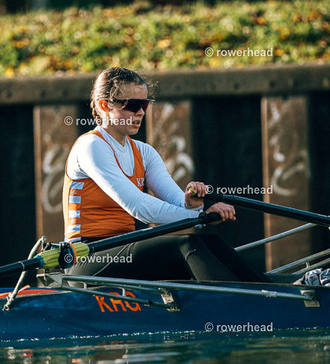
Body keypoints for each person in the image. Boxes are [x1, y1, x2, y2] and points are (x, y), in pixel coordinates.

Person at [63, 67, 266, 283]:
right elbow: (139, 206)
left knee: (210, 242)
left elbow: (176, 201)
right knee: (187, 244)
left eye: (144, 104)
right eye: (132, 105)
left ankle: (269, 291)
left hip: (124, 252)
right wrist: (201, 216)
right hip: (86, 258)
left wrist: (191, 204)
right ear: (104, 105)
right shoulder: (91, 146)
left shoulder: (144, 152)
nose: (140, 112)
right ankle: (231, 299)